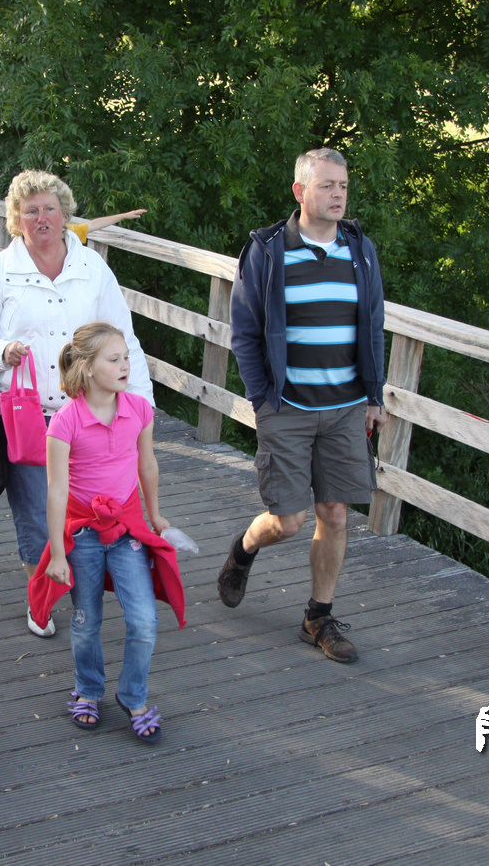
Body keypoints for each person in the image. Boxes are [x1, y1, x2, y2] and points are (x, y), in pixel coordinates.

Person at [0, 169, 153, 638]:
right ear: (16, 218)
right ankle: (40, 598)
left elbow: (124, 339)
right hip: (28, 419)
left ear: (65, 214)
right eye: (30, 211)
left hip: (89, 415)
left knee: (88, 510)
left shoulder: (92, 268)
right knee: (35, 515)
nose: (41, 218)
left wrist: (141, 405)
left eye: (50, 208)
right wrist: (0, 350)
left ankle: (83, 591)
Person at [218, 148, 386, 664]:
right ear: (300, 191)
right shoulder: (268, 251)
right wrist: (262, 400)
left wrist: (375, 395)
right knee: (287, 521)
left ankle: (318, 616)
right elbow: (245, 332)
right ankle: (244, 549)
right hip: (287, 406)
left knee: (334, 513)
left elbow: (374, 325)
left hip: (346, 406)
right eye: (327, 185)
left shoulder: (359, 250)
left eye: (343, 186)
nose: (338, 195)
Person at [30, 322, 184, 743]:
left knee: (145, 620)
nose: (124, 366)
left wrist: (155, 515)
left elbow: (147, 464)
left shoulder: (139, 409)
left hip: (127, 531)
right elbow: (56, 491)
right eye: (114, 360)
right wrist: (57, 554)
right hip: (82, 535)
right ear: (86, 367)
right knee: (86, 620)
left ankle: (134, 696)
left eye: (126, 358)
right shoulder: (64, 423)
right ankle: (88, 689)